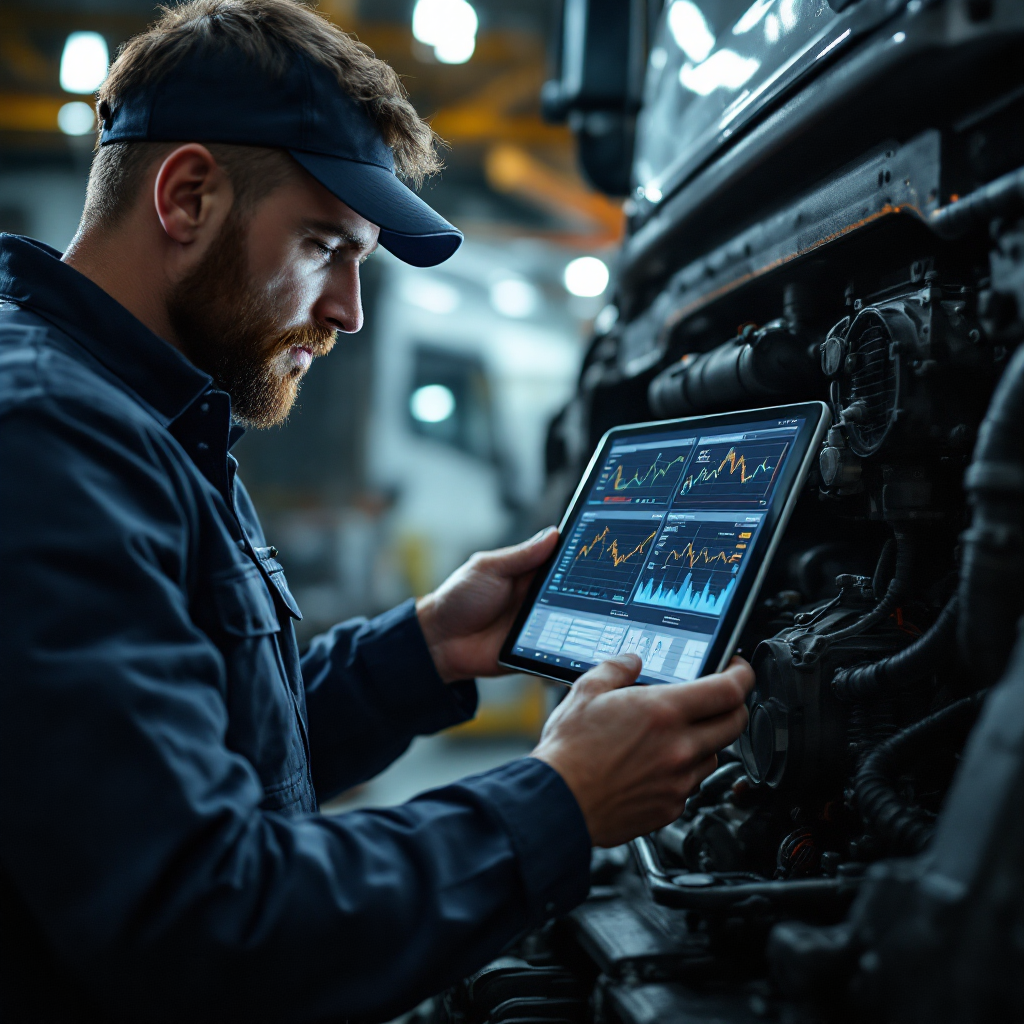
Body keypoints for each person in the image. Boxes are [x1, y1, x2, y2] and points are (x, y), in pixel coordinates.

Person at [0, 2, 754, 1020]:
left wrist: (424, 651)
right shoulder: (47, 440)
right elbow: (201, 918)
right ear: (185, 197)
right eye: (326, 245)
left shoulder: (147, 410)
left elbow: (196, 756)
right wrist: (558, 801)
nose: (350, 309)